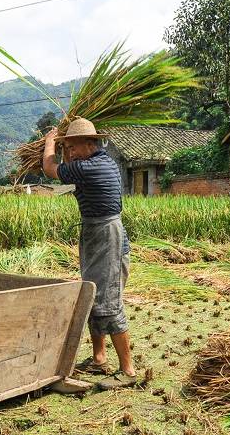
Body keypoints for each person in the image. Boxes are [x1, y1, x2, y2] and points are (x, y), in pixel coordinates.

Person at [43, 118, 136, 390]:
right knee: (92, 293)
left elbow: (50, 168)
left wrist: (51, 141)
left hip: (108, 237)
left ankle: (128, 370)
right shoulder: (98, 162)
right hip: (96, 233)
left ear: (89, 143)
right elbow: (65, 165)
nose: (70, 152)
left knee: (108, 301)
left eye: (73, 147)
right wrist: (62, 145)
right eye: (66, 148)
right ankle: (99, 358)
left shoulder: (91, 167)